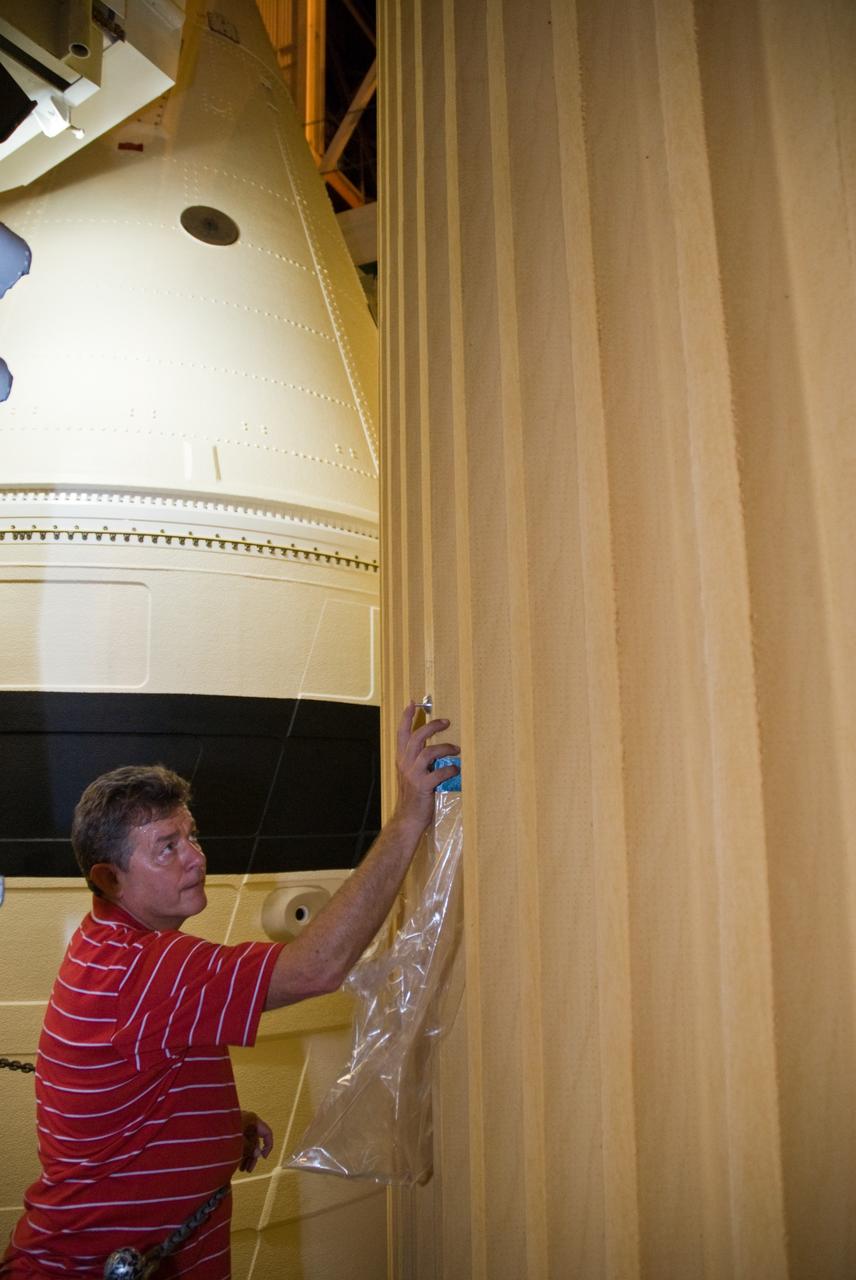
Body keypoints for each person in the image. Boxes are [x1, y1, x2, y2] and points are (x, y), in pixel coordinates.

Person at [0, 705, 458, 1279]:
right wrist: (410, 816)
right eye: (167, 846)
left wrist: (212, 1128)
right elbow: (315, 968)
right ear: (108, 878)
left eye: (191, 835)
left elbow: (130, 1075)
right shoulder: (148, 966)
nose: (196, 858)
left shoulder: (106, 945)